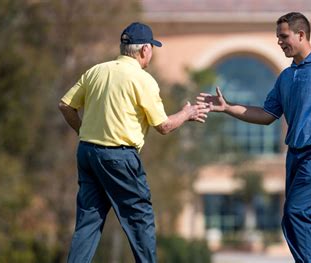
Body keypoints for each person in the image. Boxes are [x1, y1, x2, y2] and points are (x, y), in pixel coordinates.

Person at [197, 12, 311, 262]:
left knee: (295, 213)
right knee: (310, 217)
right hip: (296, 155)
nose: (279, 42)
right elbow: (267, 115)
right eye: (278, 37)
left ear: (301, 34)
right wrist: (227, 107)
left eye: (284, 36)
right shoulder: (286, 76)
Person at [58, 22, 209, 263]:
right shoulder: (142, 79)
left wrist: (83, 130)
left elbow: (65, 105)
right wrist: (186, 114)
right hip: (119, 158)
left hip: (87, 153)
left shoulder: (96, 71)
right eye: (152, 48)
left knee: (89, 221)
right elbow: (163, 126)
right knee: (140, 220)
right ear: (145, 50)